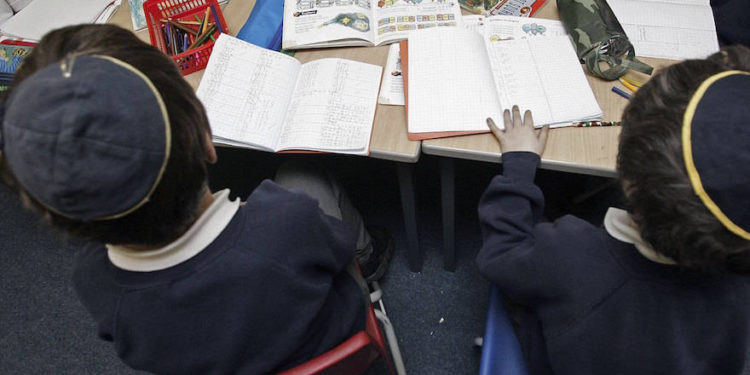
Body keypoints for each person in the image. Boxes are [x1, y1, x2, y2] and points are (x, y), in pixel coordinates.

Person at [0, 24, 392, 374]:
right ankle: (373, 258)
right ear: (207, 139)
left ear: (57, 216)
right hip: (336, 344)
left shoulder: (93, 282)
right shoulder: (285, 220)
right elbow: (337, 253)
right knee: (303, 174)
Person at [476, 45, 750, 374]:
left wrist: (518, 167)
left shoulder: (571, 253)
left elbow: (503, 252)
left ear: (630, 182)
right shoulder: (738, 297)